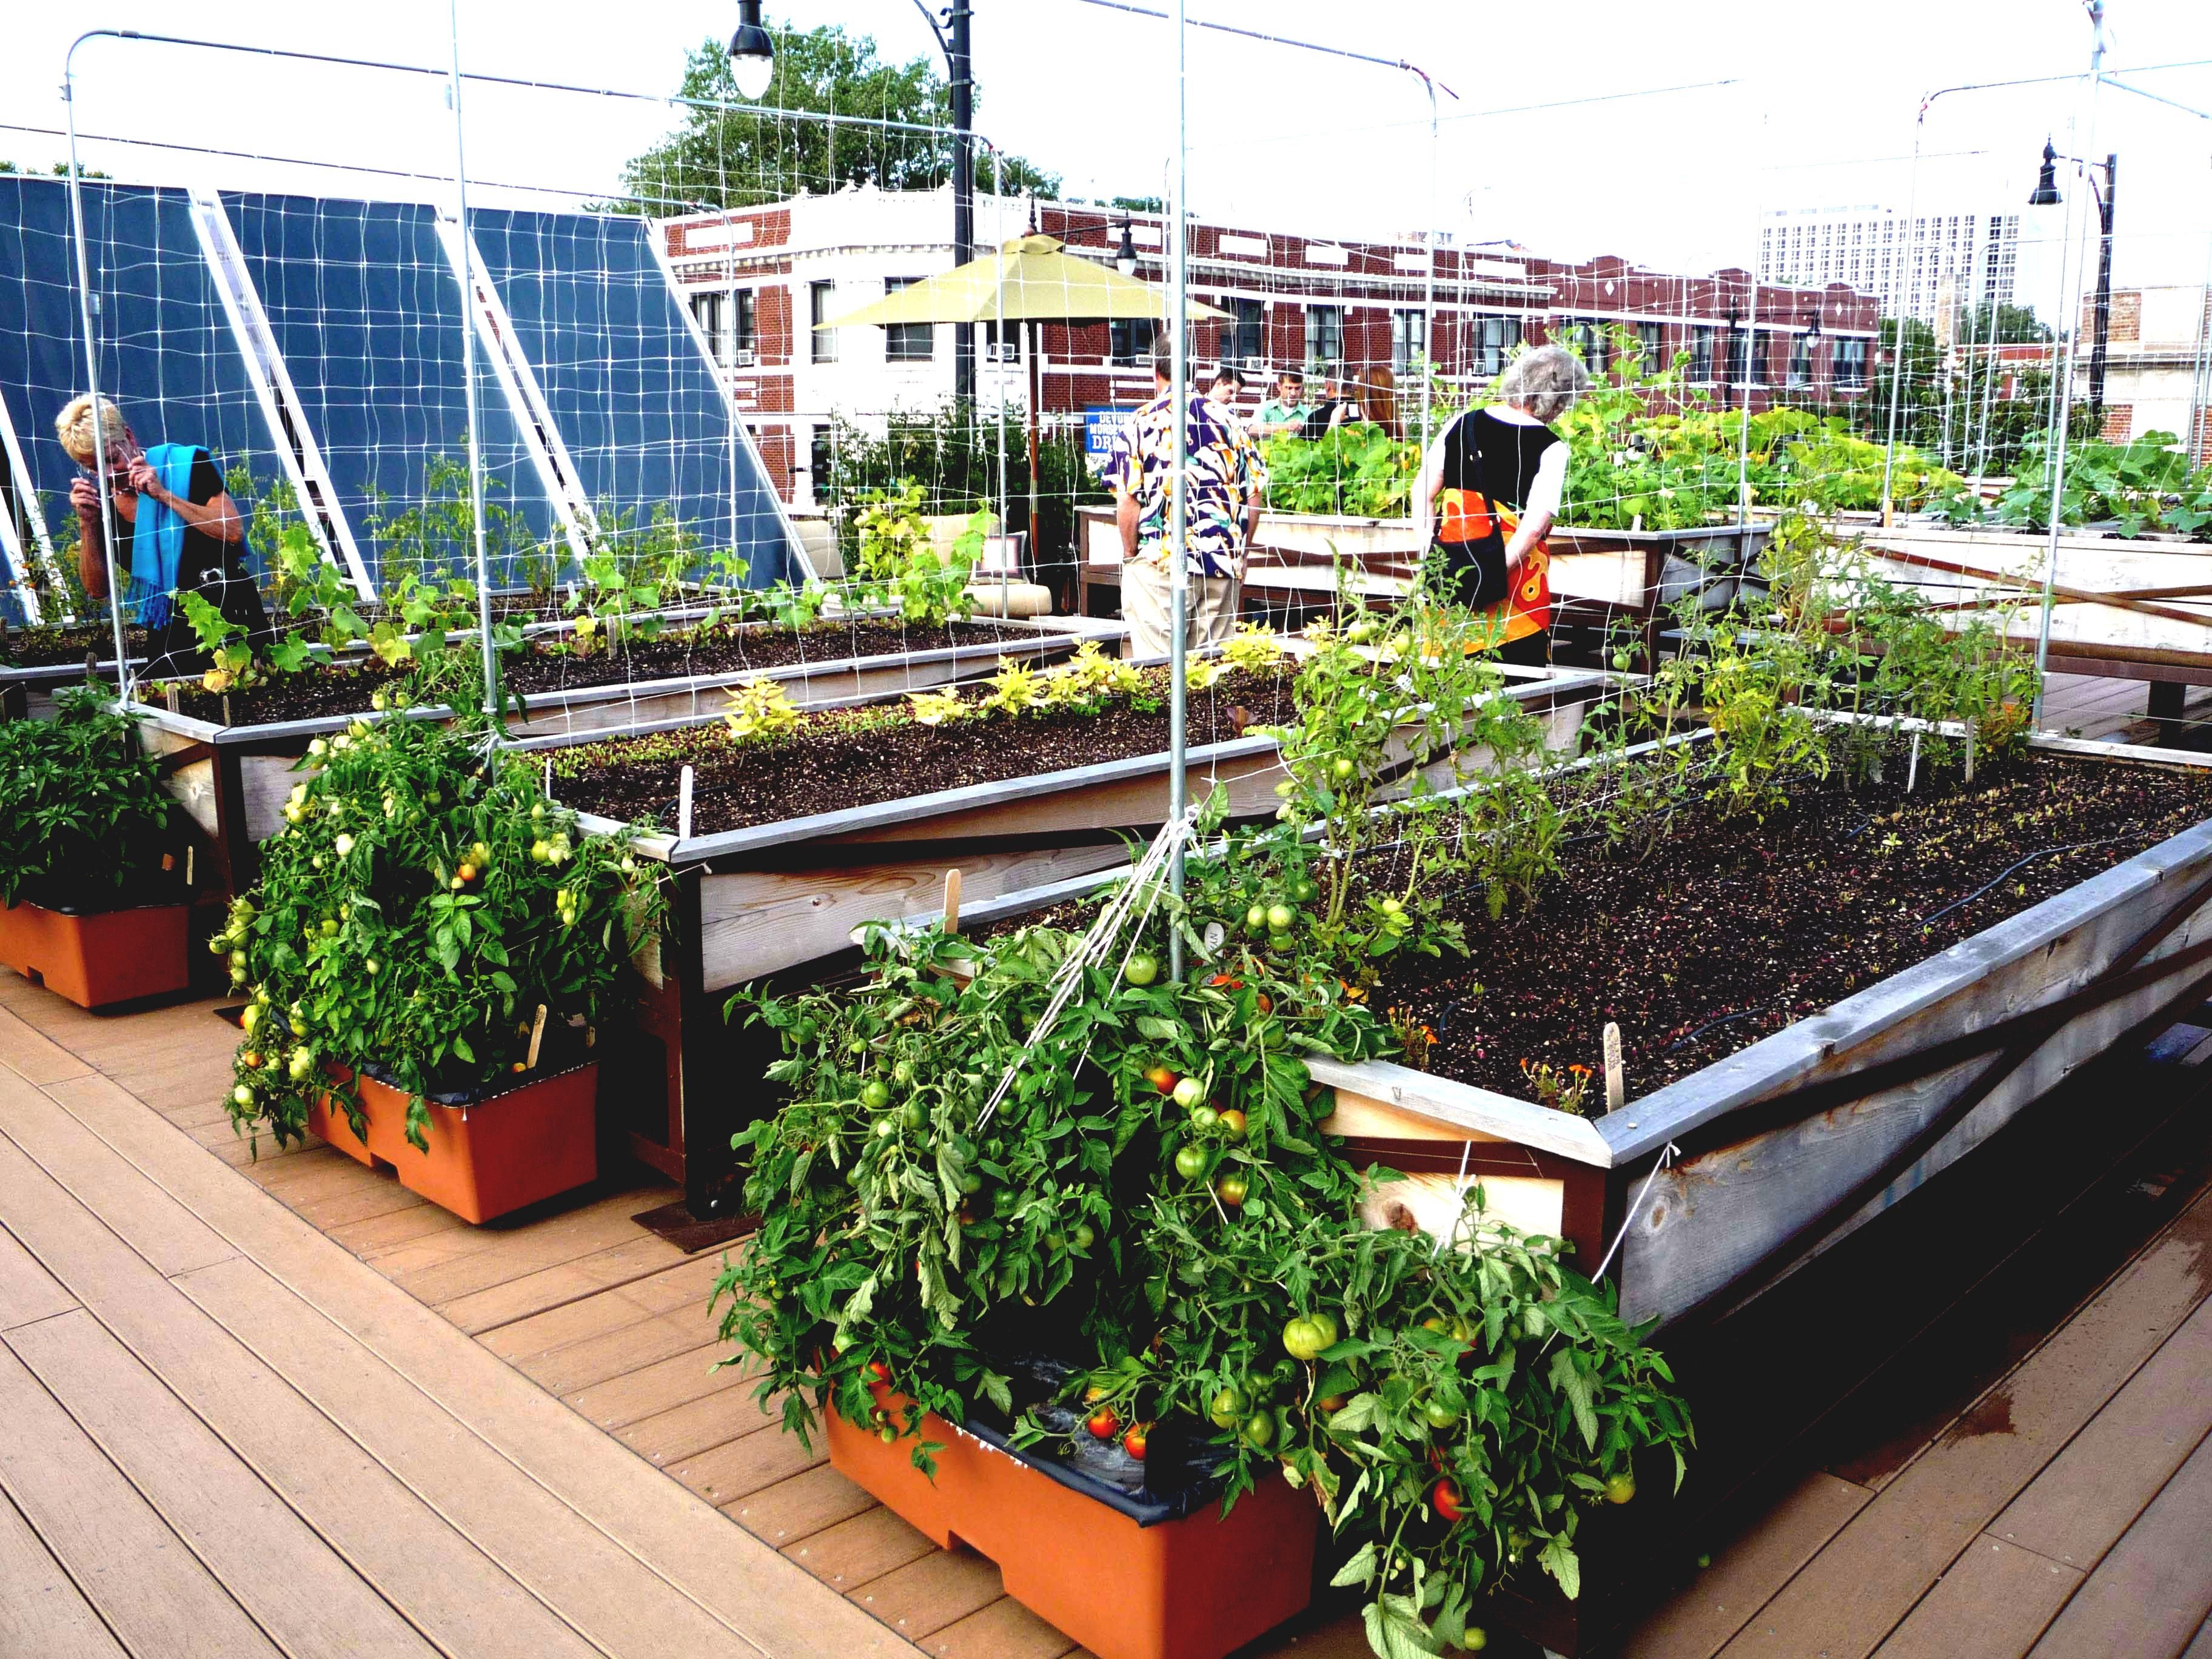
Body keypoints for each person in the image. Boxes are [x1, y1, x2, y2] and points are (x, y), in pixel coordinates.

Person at [58, 394, 268, 680]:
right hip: (168, 627)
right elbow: (97, 589)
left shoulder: (184, 465)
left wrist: (164, 495)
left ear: (129, 437)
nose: (108, 474)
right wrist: (87, 523)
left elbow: (232, 530)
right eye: (95, 468)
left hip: (228, 611)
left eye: (111, 459)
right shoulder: (102, 507)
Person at [1417, 343, 1592, 667]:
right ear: (1557, 400)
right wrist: (1492, 574)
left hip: (1451, 566)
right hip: (1513, 581)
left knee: (1447, 671)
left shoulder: (1462, 423)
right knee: (1513, 678)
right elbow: (1534, 527)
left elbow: (1422, 492)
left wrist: (1431, 553)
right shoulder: (1550, 447)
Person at [1106, 333, 1266, 660]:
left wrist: (1130, 555)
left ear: (1156, 371)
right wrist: (1242, 552)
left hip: (1158, 563)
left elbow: (1128, 500)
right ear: (1195, 370)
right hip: (1219, 562)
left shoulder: (1140, 422)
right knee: (1212, 672)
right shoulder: (1231, 422)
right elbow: (1253, 498)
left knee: (1158, 669)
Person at [1300, 374, 1364, 440]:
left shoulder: (1315, 418)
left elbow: (1300, 445)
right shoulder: (1365, 415)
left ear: (1327, 385)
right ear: (1352, 385)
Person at [1252, 369, 1310, 440]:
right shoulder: (1265, 407)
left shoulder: (1309, 414)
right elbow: (1252, 430)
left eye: (1297, 388)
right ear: (1279, 386)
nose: (1293, 393)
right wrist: (1285, 427)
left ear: (1302, 388)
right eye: (1289, 388)